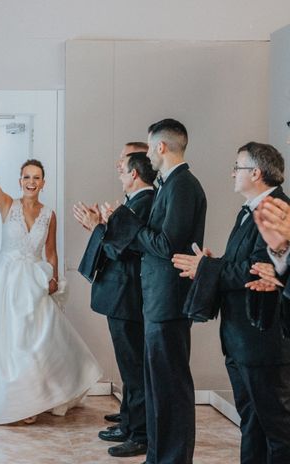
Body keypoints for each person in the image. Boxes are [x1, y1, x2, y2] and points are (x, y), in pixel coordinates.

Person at [0, 159, 102, 425]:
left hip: (34, 281)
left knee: (36, 340)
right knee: (4, 341)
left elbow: (51, 251)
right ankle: (10, 399)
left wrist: (54, 280)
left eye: (36, 178)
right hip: (3, 282)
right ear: (20, 181)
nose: (31, 182)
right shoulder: (7, 205)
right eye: (27, 177)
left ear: (43, 183)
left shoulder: (49, 215)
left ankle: (35, 398)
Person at [174, 142, 290, 463]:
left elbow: (258, 270)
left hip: (263, 340)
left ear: (256, 172)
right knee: (252, 421)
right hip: (241, 339)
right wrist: (214, 264)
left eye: (237, 167)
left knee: (277, 429)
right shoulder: (248, 210)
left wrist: (207, 269)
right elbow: (241, 262)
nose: (232, 173)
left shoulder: (278, 210)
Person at [102, 119, 206, 464]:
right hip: (157, 300)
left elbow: (167, 244)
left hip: (170, 301)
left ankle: (173, 458)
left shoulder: (183, 187)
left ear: (160, 147)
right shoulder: (169, 185)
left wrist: (128, 224)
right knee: (158, 387)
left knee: (172, 388)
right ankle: (159, 456)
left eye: (149, 148)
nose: (147, 156)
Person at [75, 150, 155, 457]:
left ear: (134, 174)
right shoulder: (135, 203)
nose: (119, 176)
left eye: (122, 171)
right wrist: (102, 225)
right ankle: (130, 423)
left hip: (128, 296)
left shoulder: (144, 203)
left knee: (134, 368)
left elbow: (120, 250)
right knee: (129, 365)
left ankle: (140, 434)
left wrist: (97, 226)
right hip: (121, 295)